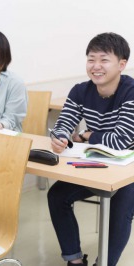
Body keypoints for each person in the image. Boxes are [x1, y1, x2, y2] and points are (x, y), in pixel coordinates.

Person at [48, 32, 134, 266]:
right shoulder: (80, 91)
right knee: (57, 195)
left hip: (129, 168)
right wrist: (61, 137)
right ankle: (74, 261)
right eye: (91, 59)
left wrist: (87, 135)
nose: (96, 66)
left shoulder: (131, 92)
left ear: (122, 64)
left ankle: (105, 263)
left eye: (104, 60)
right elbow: (63, 123)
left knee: (120, 210)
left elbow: (122, 141)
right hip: (96, 163)